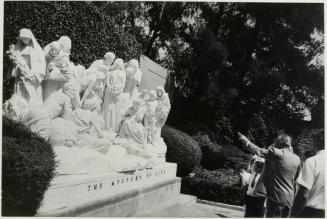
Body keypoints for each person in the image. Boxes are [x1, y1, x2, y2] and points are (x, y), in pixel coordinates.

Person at [238, 132, 301, 217]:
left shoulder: (275, 153)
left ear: (279, 143)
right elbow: (297, 178)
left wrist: (246, 141)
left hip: (276, 198)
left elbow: (258, 151)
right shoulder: (297, 159)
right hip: (290, 199)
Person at [8, 28, 46, 109]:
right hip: (20, 77)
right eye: (23, 39)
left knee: (32, 99)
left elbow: (42, 63)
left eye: (26, 38)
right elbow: (14, 63)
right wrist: (16, 65)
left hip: (32, 77)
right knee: (20, 98)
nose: (25, 40)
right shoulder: (18, 49)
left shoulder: (37, 49)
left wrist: (36, 75)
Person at [291, 130, 325, 218]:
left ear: (316, 142)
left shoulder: (312, 161)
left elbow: (304, 195)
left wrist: (292, 215)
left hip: (313, 213)